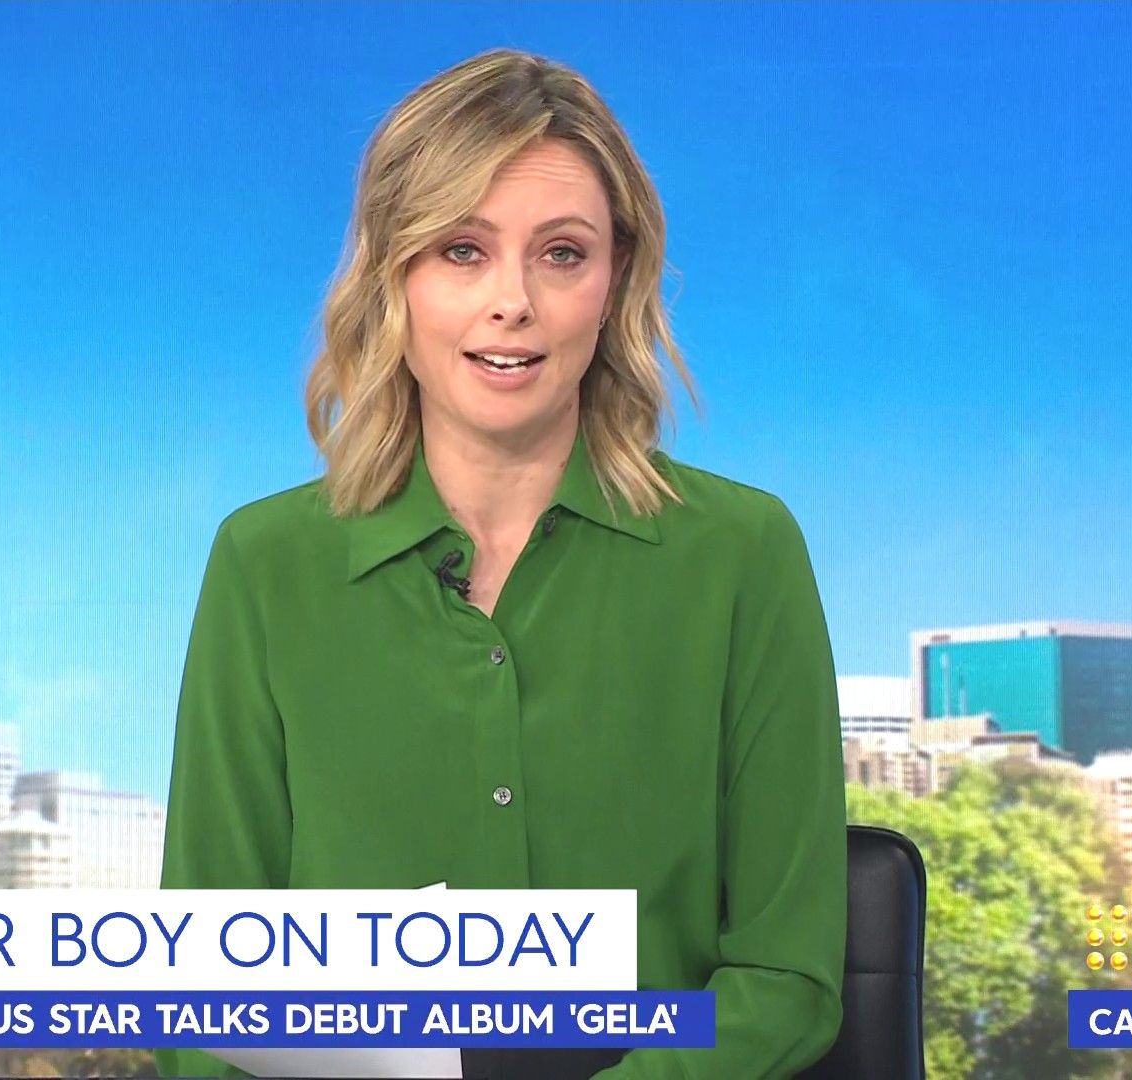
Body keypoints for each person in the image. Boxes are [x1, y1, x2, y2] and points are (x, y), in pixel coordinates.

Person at [157, 47, 846, 1080]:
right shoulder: (263, 565)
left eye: (562, 253)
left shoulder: (745, 555)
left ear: (615, 282)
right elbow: (205, 1003)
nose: (511, 301)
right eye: (462, 250)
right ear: (395, 277)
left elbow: (788, 980)